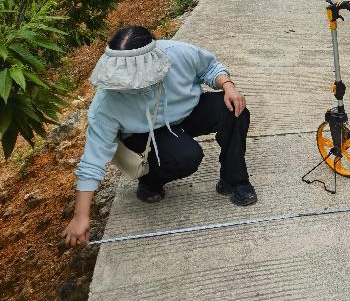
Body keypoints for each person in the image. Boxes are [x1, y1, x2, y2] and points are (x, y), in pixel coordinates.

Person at [62, 26, 256, 246]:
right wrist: (80, 216)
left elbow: (210, 68)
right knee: (187, 157)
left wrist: (228, 86)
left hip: (186, 112)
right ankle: (150, 181)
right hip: (143, 134)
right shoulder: (106, 103)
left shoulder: (178, 53)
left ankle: (233, 180)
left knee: (234, 110)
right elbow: (92, 159)